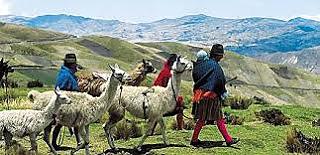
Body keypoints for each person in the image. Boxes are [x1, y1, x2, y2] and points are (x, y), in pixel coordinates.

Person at [190, 44, 239, 147]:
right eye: (221, 55)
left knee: (202, 119)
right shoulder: (216, 67)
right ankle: (228, 140)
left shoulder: (203, 64)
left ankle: (194, 140)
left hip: (200, 95)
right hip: (211, 96)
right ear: (218, 55)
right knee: (219, 118)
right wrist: (222, 91)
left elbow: (197, 75)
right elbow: (219, 81)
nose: (222, 57)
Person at [52, 53, 80, 150]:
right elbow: (59, 90)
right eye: (75, 64)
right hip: (66, 103)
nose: (76, 66)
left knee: (69, 123)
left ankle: (78, 142)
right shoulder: (65, 75)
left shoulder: (68, 74)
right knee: (61, 123)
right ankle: (53, 143)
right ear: (72, 64)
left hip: (70, 102)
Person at [152, 54, 185, 132]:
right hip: (162, 97)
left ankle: (151, 130)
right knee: (180, 104)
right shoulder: (168, 73)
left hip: (157, 96)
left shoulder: (165, 71)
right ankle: (180, 127)